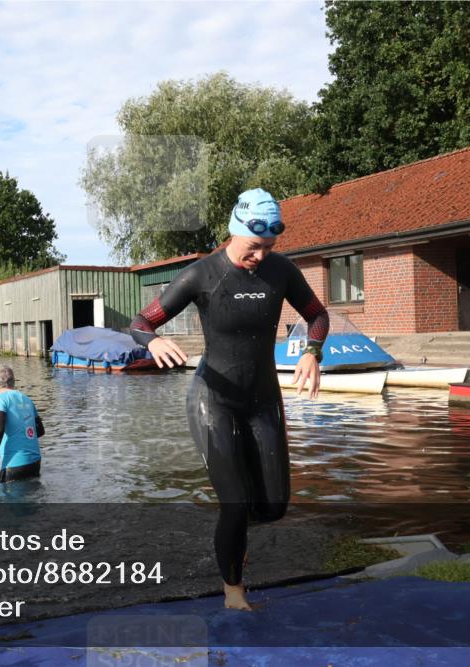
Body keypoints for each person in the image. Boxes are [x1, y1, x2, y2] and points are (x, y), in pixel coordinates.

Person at [129, 187, 330, 611]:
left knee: (273, 507)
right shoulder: (201, 274)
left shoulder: (282, 271)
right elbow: (141, 322)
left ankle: (233, 535)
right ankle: (233, 591)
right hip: (213, 399)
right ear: (234, 232)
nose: (260, 256)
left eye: (269, 247)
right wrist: (153, 341)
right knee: (235, 503)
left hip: (262, 399)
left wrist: (313, 352)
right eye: (254, 247)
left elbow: (317, 314)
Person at [0, 365, 44, 483]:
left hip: (13, 465)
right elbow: (40, 430)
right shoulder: (27, 399)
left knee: (0, 497)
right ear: (13, 382)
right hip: (35, 462)